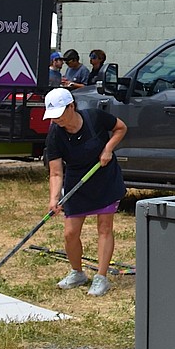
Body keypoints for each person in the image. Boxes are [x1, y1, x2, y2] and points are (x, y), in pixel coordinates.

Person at [43, 86, 127, 297]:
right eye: (52, 117)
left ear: (71, 106)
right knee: (70, 233)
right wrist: (54, 198)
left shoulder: (94, 117)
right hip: (76, 180)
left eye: (59, 115)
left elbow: (121, 128)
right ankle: (77, 273)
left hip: (103, 176)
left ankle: (101, 277)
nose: (56, 120)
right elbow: (55, 172)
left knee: (104, 227)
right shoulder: (55, 134)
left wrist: (108, 149)